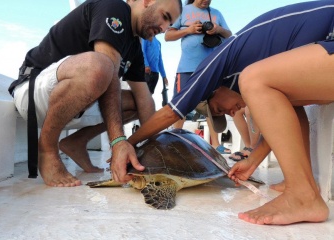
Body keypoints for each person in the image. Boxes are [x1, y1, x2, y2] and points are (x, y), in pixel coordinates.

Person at [112, 1, 334, 225]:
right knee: (288, 100)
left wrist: (126, 144)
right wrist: (253, 161)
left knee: (253, 79)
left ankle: (304, 196)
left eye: (219, 109)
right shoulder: (253, 56)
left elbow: (170, 113)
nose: (230, 112)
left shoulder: (218, 60)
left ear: (214, 89)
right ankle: (300, 182)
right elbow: (288, 118)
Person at [8, 0, 182, 187]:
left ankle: (77, 141)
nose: (164, 28)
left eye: (170, 25)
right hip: (34, 94)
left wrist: (159, 150)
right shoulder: (114, 7)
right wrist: (118, 142)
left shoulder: (135, 48)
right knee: (101, 66)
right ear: (147, 2)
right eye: (165, 17)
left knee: (136, 103)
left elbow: (144, 99)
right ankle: (47, 148)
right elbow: (107, 73)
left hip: (72, 109)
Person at [165, 0, 232, 154]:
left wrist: (218, 29)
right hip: (187, 68)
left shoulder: (216, 13)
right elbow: (168, 36)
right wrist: (188, 30)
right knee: (180, 104)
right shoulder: (182, 11)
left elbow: (229, 35)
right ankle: (175, 140)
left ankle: (215, 145)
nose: (206, 1)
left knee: (211, 105)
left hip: (211, 67)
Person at [141, 36, 168, 101]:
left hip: (155, 73)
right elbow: (143, 51)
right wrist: (146, 65)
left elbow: (160, 60)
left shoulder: (158, 43)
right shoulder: (146, 37)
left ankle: (146, 110)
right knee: (142, 95)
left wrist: (164, 76)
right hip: (146, 72)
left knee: (149, 95)